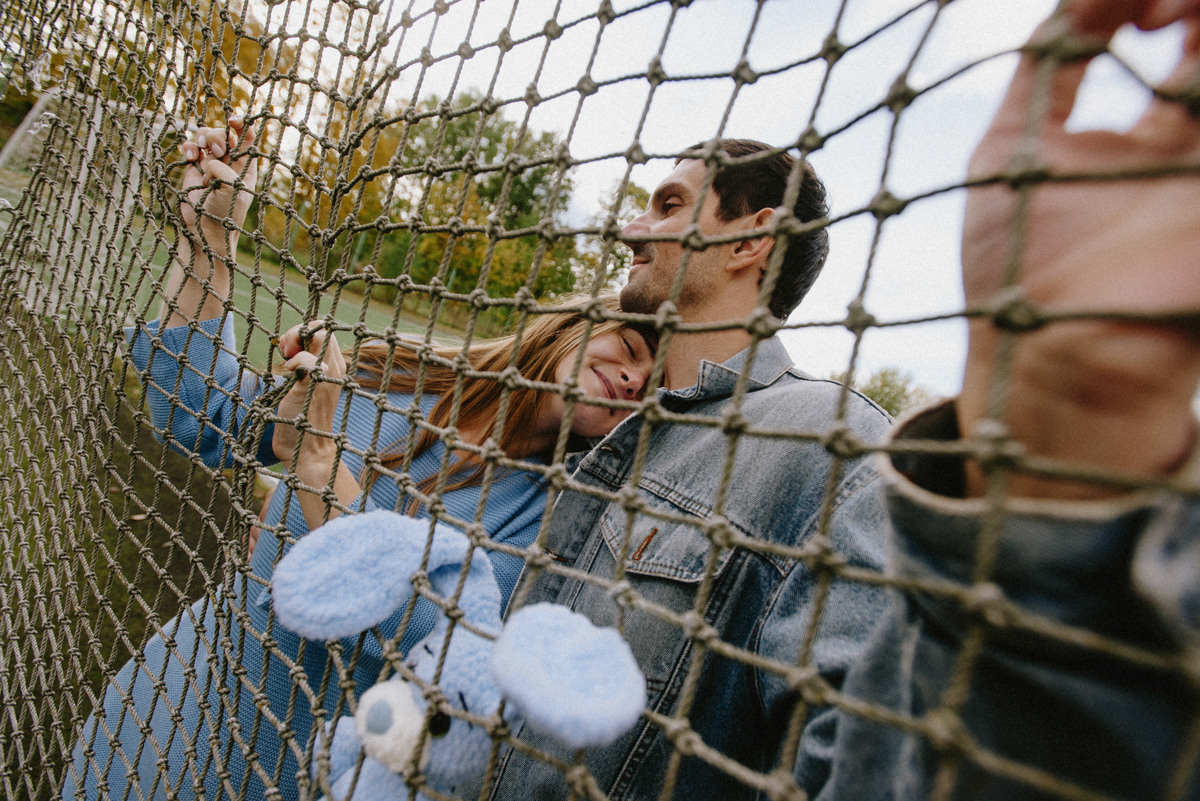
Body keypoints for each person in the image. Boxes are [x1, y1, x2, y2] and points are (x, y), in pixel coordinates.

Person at [478, 1, 1200, 801]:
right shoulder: (617, 424)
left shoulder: (831, 445)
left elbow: (885, 770)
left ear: (750, 240)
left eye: (670, 204)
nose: (633, 228)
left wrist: (1070, 411)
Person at [62, 119, 657, 801]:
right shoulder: (400, 372)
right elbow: (197, 412)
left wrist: (320, 461)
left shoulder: (562, 523)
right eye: (632, 348)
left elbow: (426, 647)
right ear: (579, 322)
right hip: (160, 709)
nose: (635, 378)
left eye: (654, 386)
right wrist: (212, 238)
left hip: (287, 769)